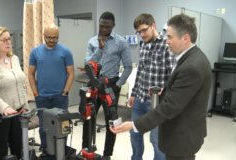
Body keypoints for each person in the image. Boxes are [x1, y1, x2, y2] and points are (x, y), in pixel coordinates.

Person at [110, 14, 213, 160]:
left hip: (181, 136)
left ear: (185, 38)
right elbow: (180, 88)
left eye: (170, 37)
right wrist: (165, 90)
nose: (167, 40)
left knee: (156, 142)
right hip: (177, 126)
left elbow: (170, 106)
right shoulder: (193, 57)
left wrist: (133, 124)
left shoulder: (191, 67)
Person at [84, 11, 132, 160]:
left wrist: (118, 85)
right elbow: (88, 64)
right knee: (88, 118)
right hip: (93, 83)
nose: (104, 29)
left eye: (107, 27)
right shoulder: (92, 42)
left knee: (111, 122)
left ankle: (107, 154)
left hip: (111, 84)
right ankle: (86, 149)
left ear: (113, 26)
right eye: (101, 26)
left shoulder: (121, 42)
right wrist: (100, 48)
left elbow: (128, 66)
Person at [128, 13, 176, 160]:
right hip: (139, 101)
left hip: (156, 104)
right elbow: (140, 72)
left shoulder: (166, 46)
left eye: (144, 30)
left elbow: (174, 76)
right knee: (134, 134)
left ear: (153, 26)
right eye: (138, 32)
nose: (141, 34)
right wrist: (134, 93)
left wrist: (165, 93)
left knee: (156, 141)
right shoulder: (143, 45)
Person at [0, 26, 30, 160]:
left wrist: (24, 105)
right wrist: (5, 108)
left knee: (17, 147)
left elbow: (21, 84)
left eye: (9, 39)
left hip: (17, 111)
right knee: (1, 151)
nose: (8, 42)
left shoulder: (14, 58)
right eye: (4, 40)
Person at [28, 23, 74, 152]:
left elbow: (71, 73)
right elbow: (30, 74)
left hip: (60, 97)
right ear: (44, 36)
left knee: (61, 124)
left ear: (58, 36)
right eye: (48, 37)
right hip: (42, 97)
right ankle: (46, 149)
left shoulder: (65, 51)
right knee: (44, 125)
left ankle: (61, 150)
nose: (51, 40)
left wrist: (65, 92)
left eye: (54, 37)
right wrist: (35, 93)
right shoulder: (35, 52)